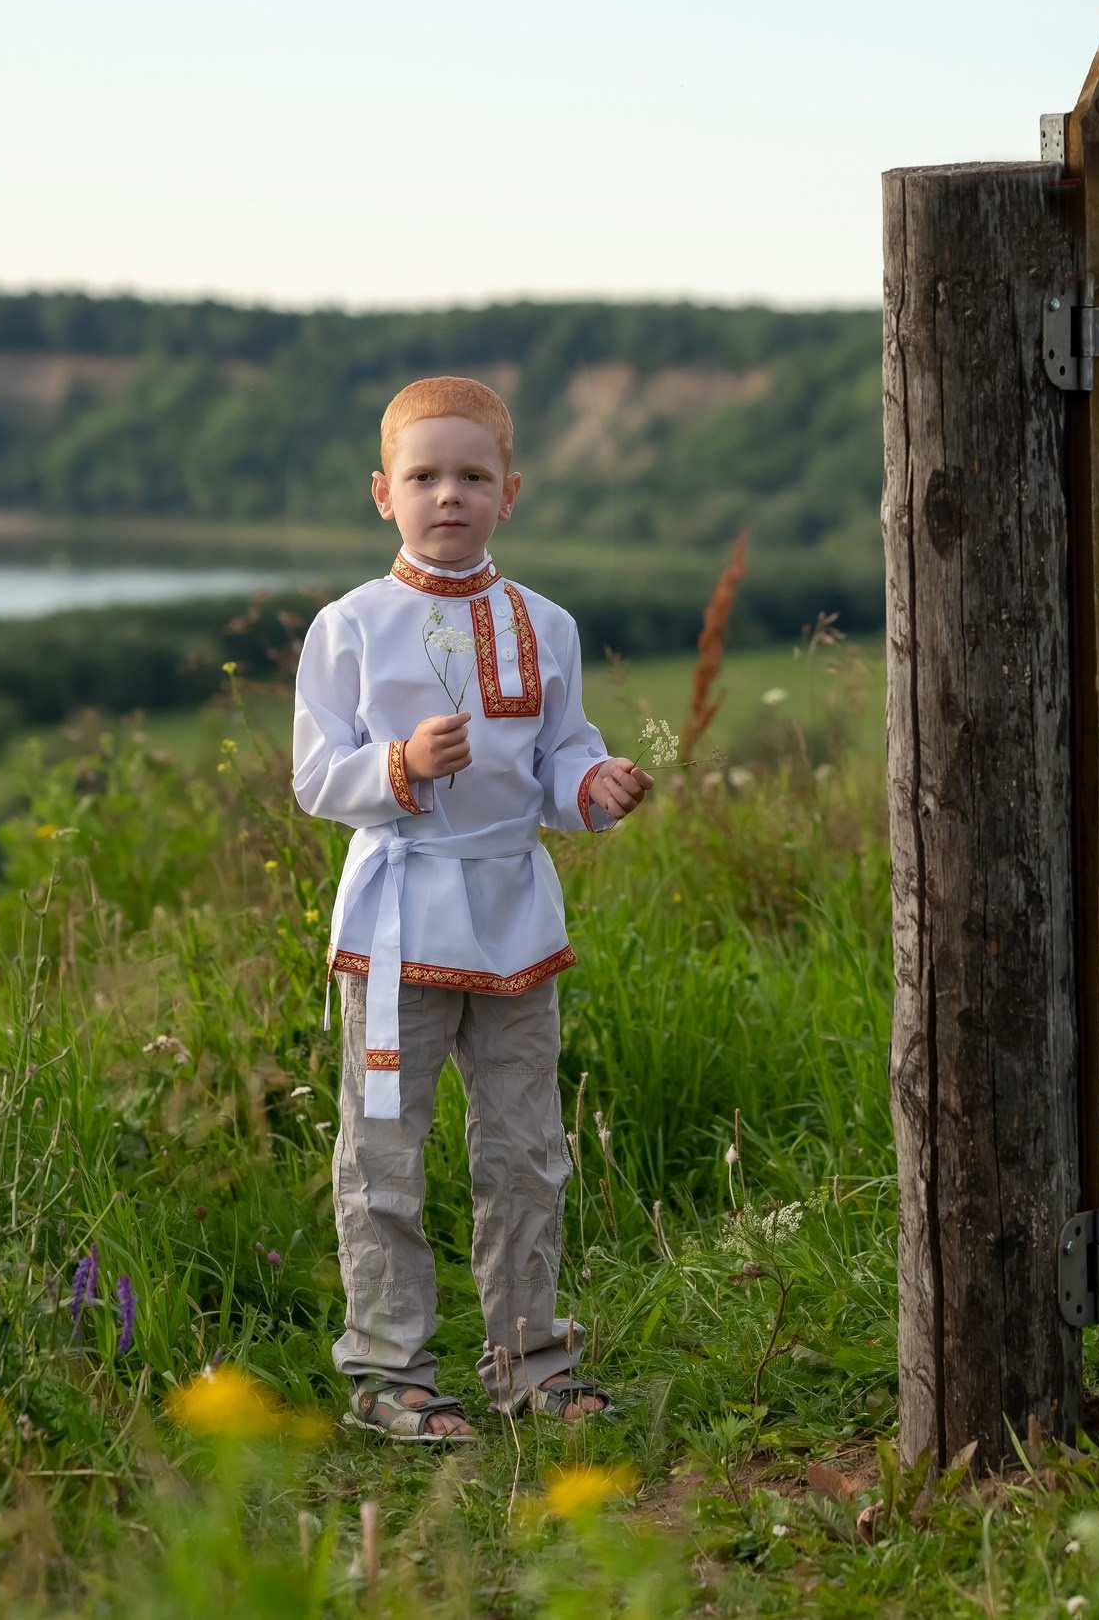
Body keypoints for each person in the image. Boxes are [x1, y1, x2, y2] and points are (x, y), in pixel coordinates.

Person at [292, 375, 653, 1444]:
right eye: (423, 476)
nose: (447, 495)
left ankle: (531, 1356)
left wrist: (591, 787)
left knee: (527, 1148)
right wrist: (396, 765)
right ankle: (390, 1365)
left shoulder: (546, 625)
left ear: (511, 489)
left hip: (511, 914)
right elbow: (317, 775)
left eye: (472, 475)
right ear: (382, 492)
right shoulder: (350, 625)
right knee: (385, 1153)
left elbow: (556, 755)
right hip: (398, 921)